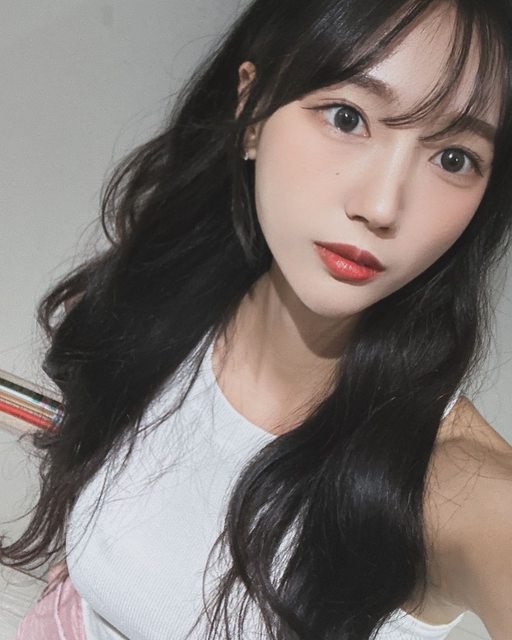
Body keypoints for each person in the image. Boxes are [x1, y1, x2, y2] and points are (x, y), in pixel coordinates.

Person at [4, 0, 512, 638]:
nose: (382, 206)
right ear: (253, 108)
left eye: (454, 158)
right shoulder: (159, 308)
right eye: (347, 117)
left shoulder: (453, 487)